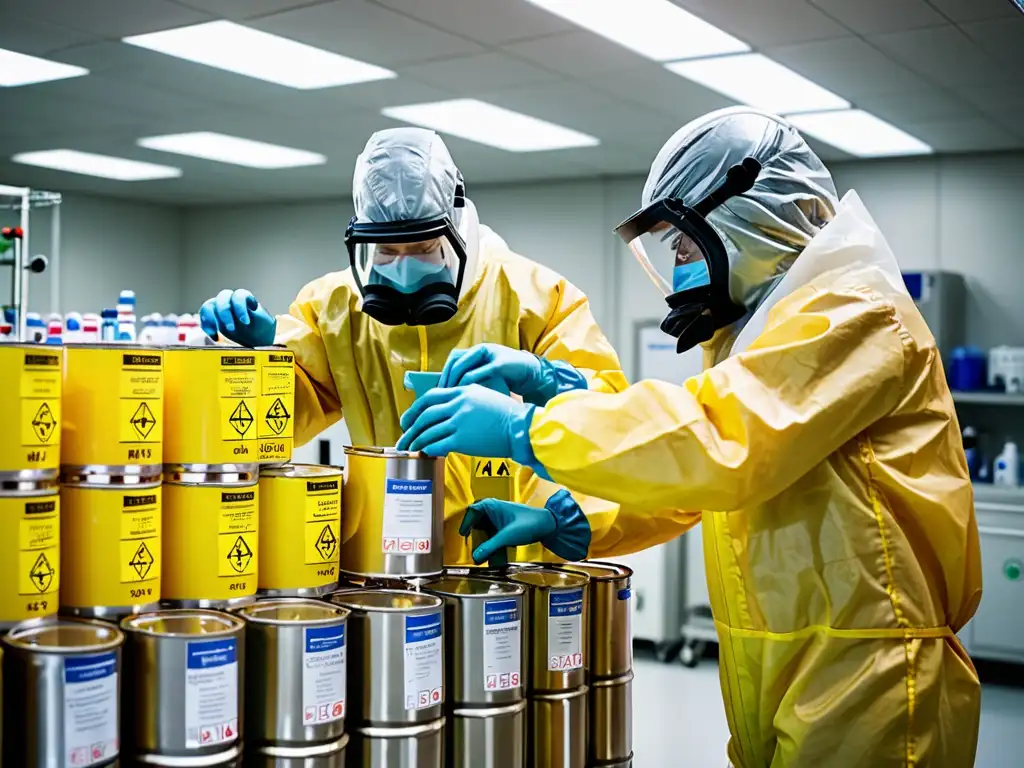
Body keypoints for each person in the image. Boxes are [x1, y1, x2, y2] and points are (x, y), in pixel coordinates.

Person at [398, 108, 982, 767]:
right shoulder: (763, 332)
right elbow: (707, 477)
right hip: (782, 658)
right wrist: (569, 518)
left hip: (867, 670)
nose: (679, 268)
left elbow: (716, 442)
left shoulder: (854, 313)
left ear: (749, 220)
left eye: (682, 245)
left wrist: (524, 428)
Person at [199, 126, 626, 565]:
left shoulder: (535, 296)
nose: (403, 269)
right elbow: (278, 423)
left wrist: (562, 512)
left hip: (515, 556)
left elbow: (612, 419)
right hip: (382, 558)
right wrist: (260, 356)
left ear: (458, 229)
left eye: (424, 248)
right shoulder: (334, 307)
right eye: (385, 252)